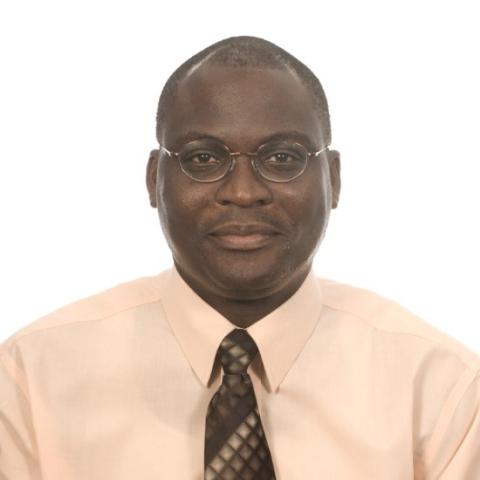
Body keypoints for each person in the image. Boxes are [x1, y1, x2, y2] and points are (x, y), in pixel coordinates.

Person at [1, 36, 479, 480]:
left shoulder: (441, 389)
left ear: (333, 178)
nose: (243, 192)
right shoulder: (28, 381)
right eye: (203, 158)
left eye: (284, 158)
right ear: (153, 179)